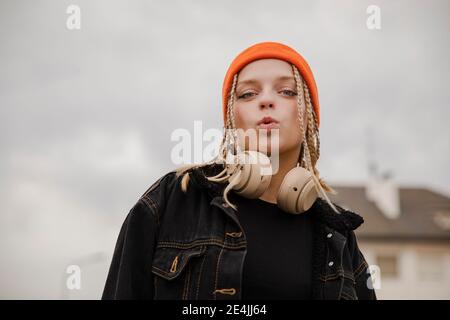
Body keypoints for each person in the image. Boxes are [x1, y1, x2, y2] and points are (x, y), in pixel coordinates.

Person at [102, 41, 377, 300]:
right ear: (232, 118)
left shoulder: (338, 237)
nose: (267, 101)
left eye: (287, 91)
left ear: (309, 117)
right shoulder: (172, 200)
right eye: (248, 94)